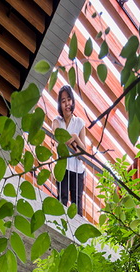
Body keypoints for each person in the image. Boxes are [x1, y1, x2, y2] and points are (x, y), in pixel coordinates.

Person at [52, 85, 87, 216]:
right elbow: (57, 137)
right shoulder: (57, 121)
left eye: (68, 99)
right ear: (60, 105)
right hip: (62, 166)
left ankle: (77, 233)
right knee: (62, 198)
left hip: (77, 169)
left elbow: (84, 152)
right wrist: (71, 143)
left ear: (72, 101)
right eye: (63, 101)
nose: (67, 103)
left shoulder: (79, 123)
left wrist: (75, 137)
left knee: (77, 203)